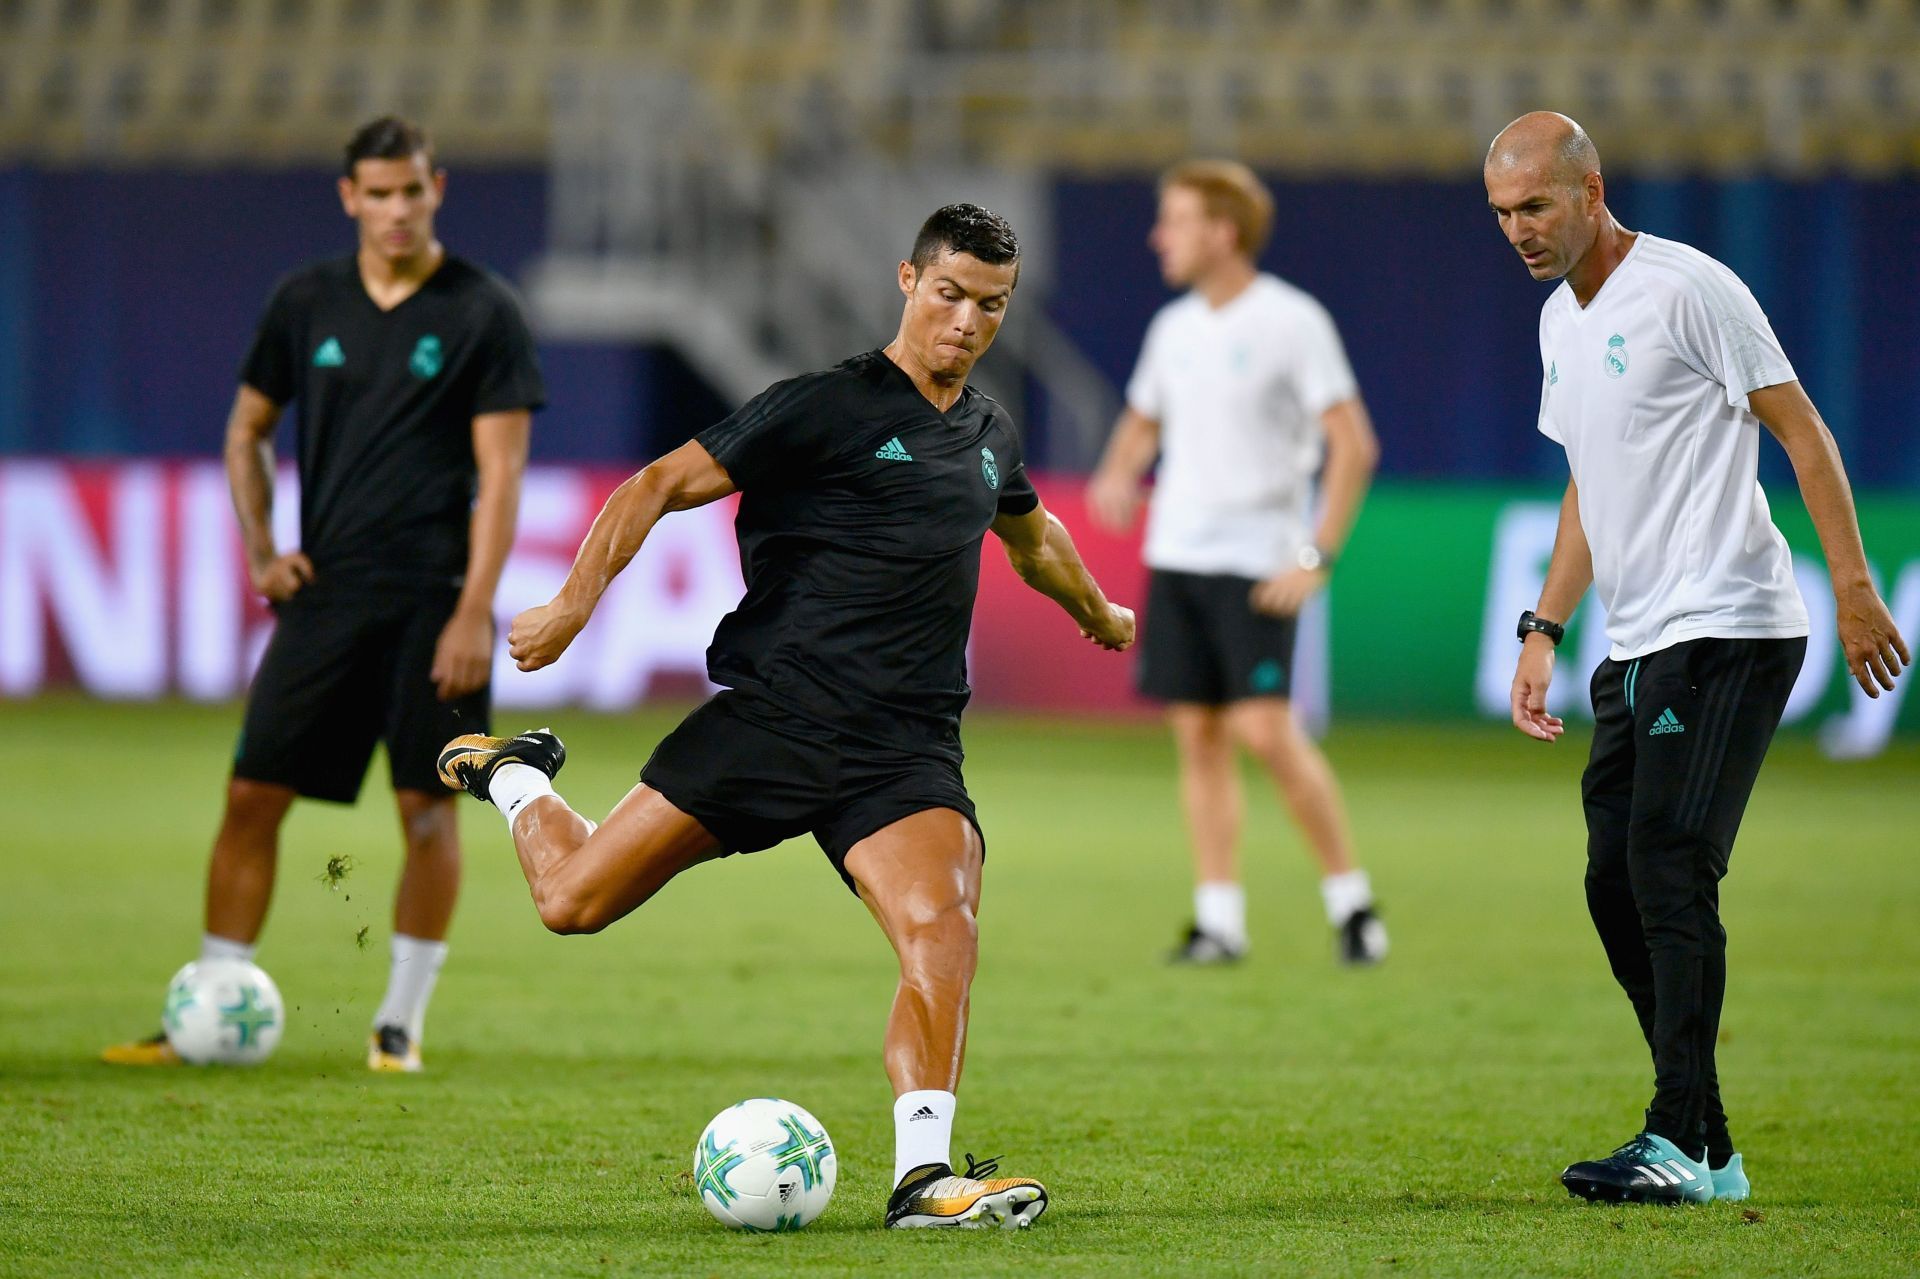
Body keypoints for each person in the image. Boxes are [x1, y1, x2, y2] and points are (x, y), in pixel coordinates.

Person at [438, 204, 1135, 1229]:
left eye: (992, 305)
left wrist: (1100, 612)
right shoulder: (823, 406)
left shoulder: (989, 434)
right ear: (907, 280)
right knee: (571, 902)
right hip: (779, 718)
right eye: (949, 295)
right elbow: (656, 483)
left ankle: (923, 1178)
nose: (967, 322)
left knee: (942, 930)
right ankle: (516, 775)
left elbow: (1033, 540)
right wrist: (573, 605)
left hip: (904, 747)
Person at [1486, 112, 1907, 1204]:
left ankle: (1675, 1135)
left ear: (1591, 189)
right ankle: (1705, 1143)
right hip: (1636, 640)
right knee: (1611, 879)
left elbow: (1801, 429)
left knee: (1669, 862)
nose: (1519, 230)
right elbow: (1588, 482)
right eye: (1502, 213)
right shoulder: (1557, 326)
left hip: (1729, 623)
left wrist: (1855, 584)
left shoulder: (1688, 288)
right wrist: (1543, 626)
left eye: (1535, 206)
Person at [103, 116, 544, 1073]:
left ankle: (399, 1023)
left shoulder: (482, 311)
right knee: (251, 791)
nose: (395, 209)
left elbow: (501, 476)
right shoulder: (305, 301)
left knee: (429, 807)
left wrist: (475, 609)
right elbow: (246, 428)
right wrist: (264, 548)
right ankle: (212, 1004)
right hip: (329, 591)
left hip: (435, 599)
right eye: (376, 193)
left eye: (410, 191)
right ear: (349, 196)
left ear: (439, 189)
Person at [1087, 160, 1387, 966]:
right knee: (1200, 740)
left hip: (1257, 561)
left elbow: (1353, 444)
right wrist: (1118, 468)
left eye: (1175, 220)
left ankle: (1352, 903)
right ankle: (1220, 919)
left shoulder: (1292, 322)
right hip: (1178, 555)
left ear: (1222, 232)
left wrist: (1316, 555)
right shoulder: (1173, 329)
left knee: (1266, 731)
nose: (1160, 237)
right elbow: (1144, 419)